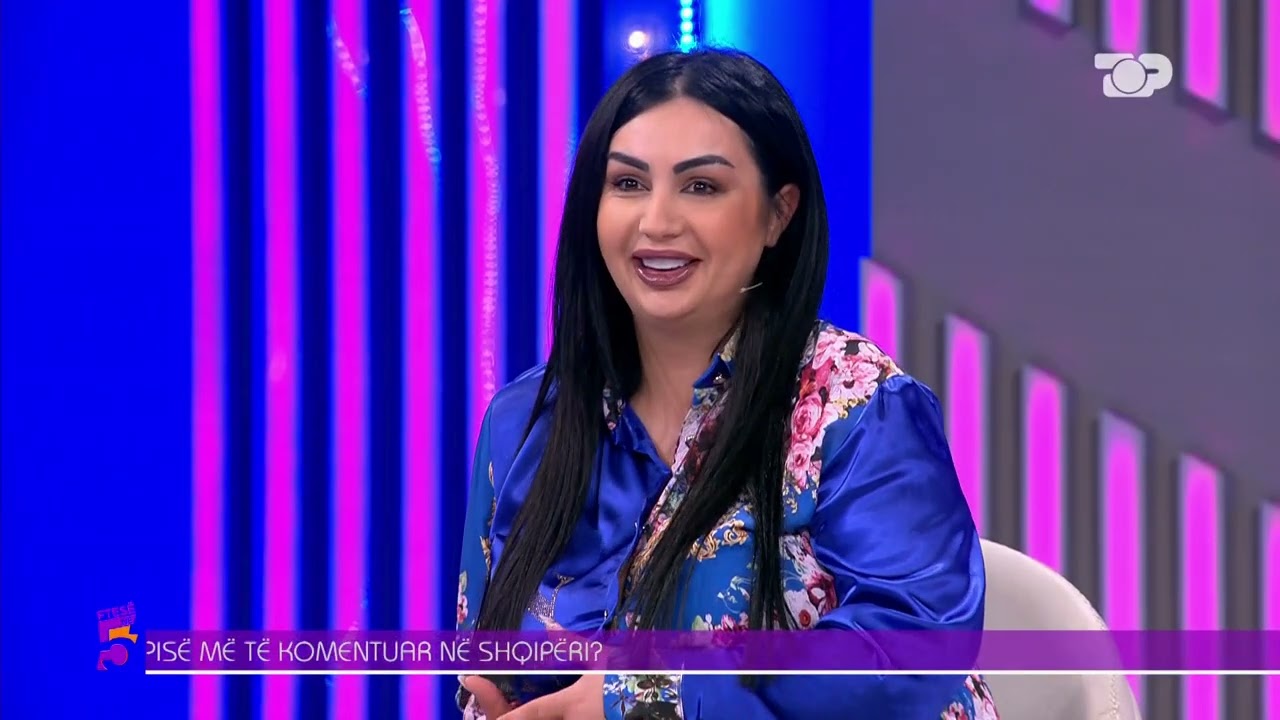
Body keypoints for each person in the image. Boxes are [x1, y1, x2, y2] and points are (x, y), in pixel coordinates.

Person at [454, 48, 998, 720]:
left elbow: (909, 650)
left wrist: (647, 699)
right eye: (627, 183)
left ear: (778, 214)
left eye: (701, 187)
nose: (657, 222)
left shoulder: (855, 405)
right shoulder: (525, 420)